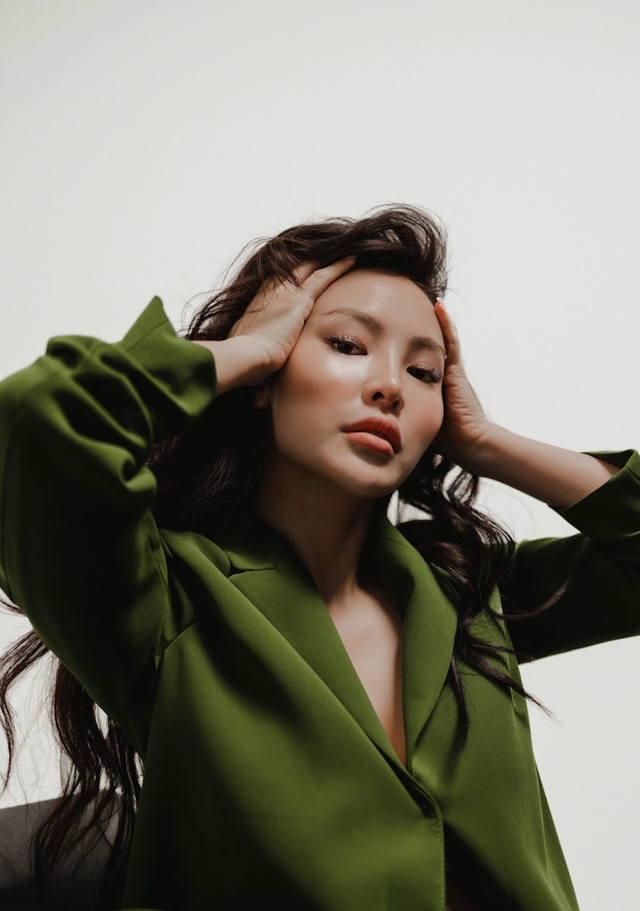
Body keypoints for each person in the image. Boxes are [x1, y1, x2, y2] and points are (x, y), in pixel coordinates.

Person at [0, 203, 638, 911]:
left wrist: (486, 440)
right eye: (346, 344)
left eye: (425, 371)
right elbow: (41, 419)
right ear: (265, 377)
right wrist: (244, 354)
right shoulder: (166, 600)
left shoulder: (467, 593)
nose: (391, 384)